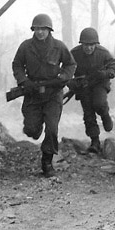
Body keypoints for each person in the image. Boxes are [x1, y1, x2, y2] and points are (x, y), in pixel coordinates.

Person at [11, 13, 76, 177]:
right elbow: (17, 64)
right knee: (31, 130)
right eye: (37, 29)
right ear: (33, 30)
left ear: (49, 30)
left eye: (43, 29)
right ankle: (35, 128)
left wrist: (63, 77)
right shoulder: (26, 46)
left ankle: (47, 162)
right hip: (32, 92)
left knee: (52, 128)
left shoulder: (58, 46)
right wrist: (23, 81)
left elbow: (70, 64)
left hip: (53, 93)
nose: (40, 32)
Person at [69, 27, 115, 154]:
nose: (89, 48)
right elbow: (66, 70)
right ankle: (95, 142)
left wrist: (106, 74)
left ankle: (105, 115)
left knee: (99, 103)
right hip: (83, 86)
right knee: (88, 113)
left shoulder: (103, 53)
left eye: (92, 45)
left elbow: (113, 67)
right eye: (86, 45)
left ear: (96, 44)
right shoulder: (74, 54)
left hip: (100, 84)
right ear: (81, 44)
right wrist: (71, 83)